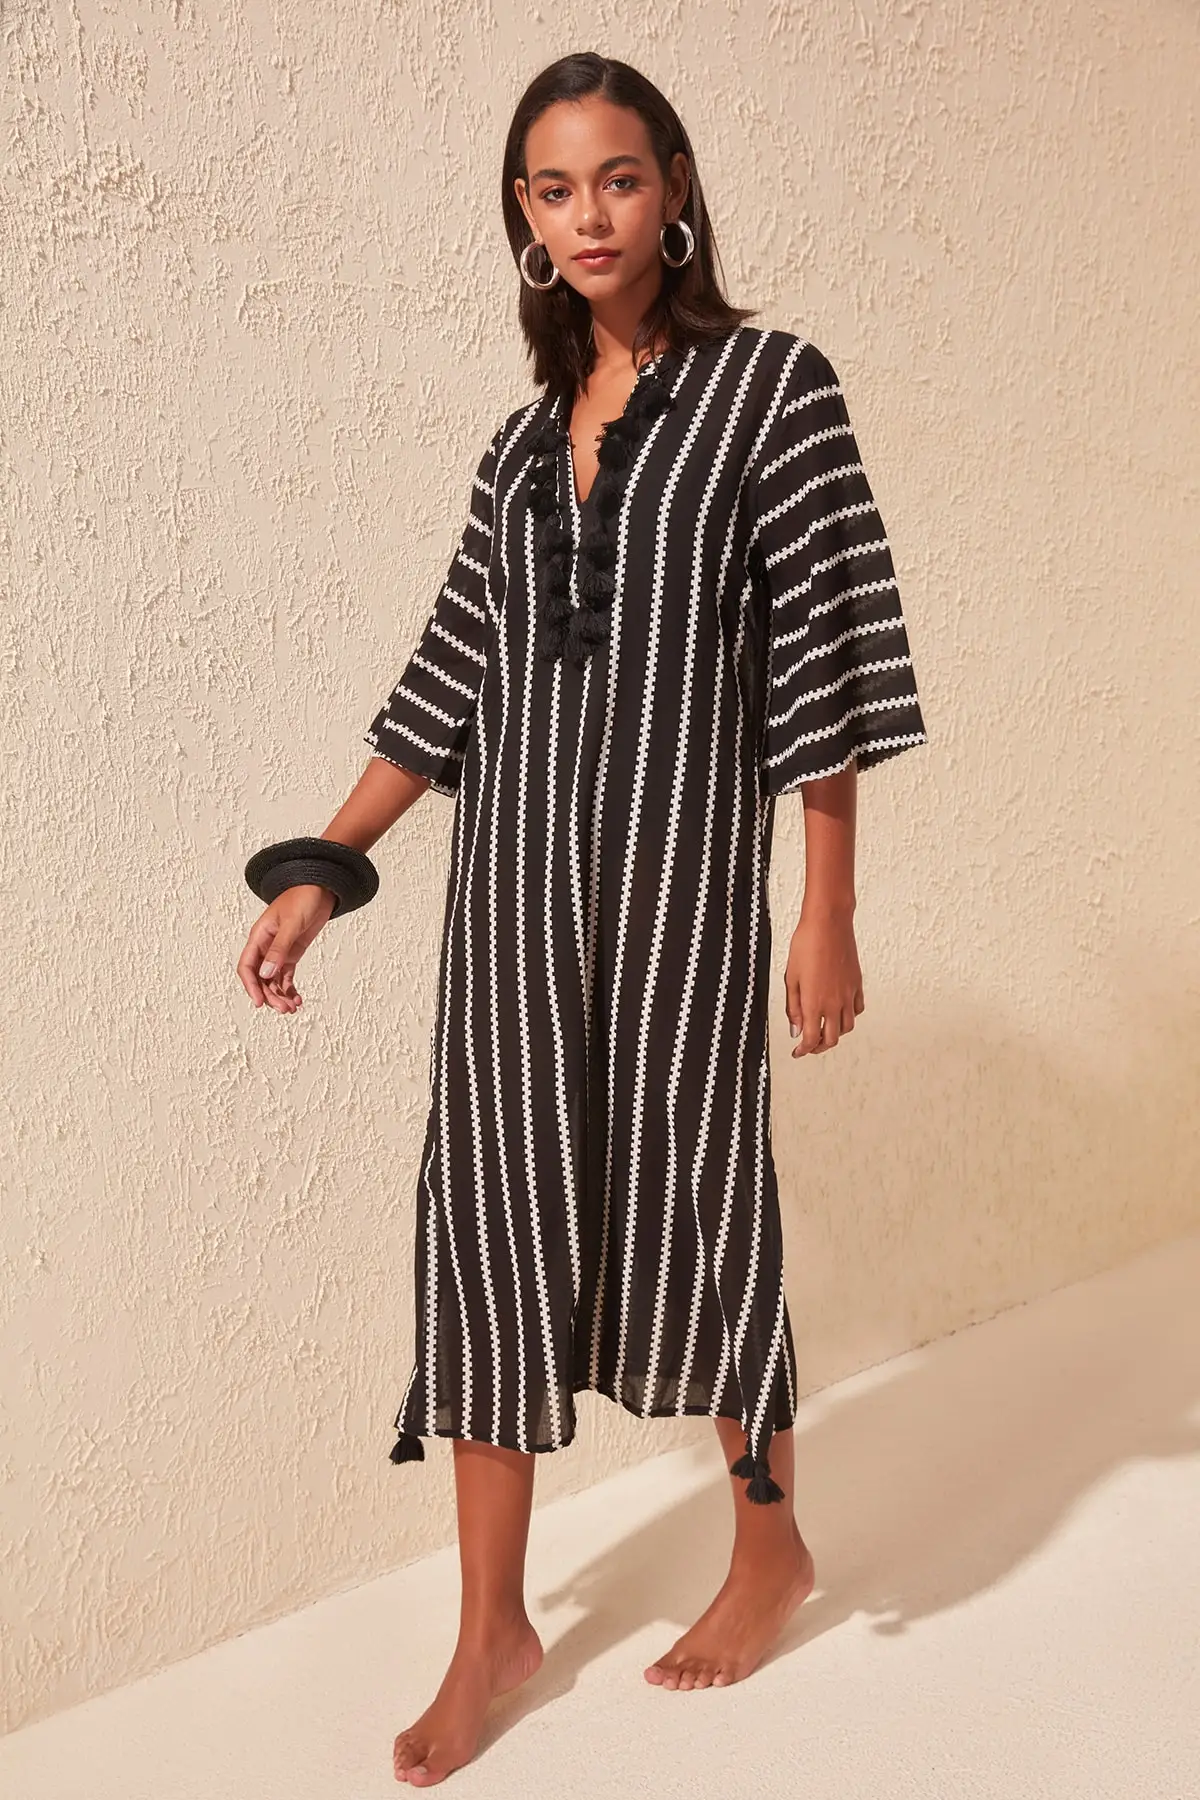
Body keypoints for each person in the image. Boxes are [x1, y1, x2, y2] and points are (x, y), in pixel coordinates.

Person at [237, 50, 927, 1790]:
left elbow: (824, 664)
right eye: (555, 188)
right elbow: (448, 676)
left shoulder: (774, 389)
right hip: (510, 914)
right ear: (525, 217)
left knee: (701, 1201)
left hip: (683, 901)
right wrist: (325, 866)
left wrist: (827, 909)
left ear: (673, 185)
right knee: (490, 1221)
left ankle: (769, 1543)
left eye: (619, 177)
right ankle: (493, 1626)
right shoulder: (521, 446)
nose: (591, 214)